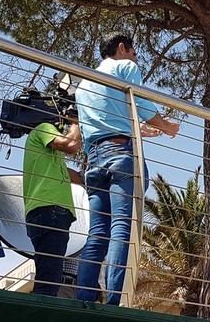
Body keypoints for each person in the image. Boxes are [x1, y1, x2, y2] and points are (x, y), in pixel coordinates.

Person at [75, 33, 180, 305]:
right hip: (121, 154)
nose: (135, 58)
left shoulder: (84, 82)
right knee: (122, 227)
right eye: (134, 52)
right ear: (123, 48)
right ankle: (114, 302)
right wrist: (165, 126)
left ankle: (83, 300)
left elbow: (106, 120)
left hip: (94, 158)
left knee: (97, 233)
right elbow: (141, 103)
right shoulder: (125, 67)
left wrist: (142, 131)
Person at [23, 117, 82, 297]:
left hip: (48, 212)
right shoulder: (43, 128)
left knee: (49, 273)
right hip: (50, 210)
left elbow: (78, 179)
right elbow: (69, 145)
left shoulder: (51, 158)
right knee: (49, 280)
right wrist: (77, 125)